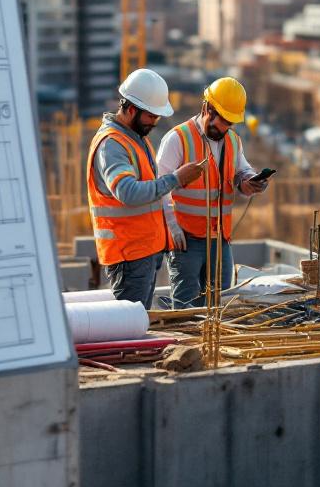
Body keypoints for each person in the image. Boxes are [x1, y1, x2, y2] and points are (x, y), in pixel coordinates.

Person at [86, 68, 205, 308]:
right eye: (151, 116)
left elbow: (152, 192)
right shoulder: (113, 144)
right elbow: (128, 192)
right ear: (131, 110)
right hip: (128, 254)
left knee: (137, 322)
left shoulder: (136, 139)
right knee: (129, 327)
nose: (155, 122)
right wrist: (176, 179)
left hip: (145, 251)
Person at [158, 77, 271, 307]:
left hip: (220, 240)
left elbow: (242, 170)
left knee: (218, 306)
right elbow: (159, 188)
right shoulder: (177, 139)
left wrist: (249, 182)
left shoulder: (232, 140)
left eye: (231, 122)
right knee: (186, 308)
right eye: (223, 120)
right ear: (207, 108)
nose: (225, 127)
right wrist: (172, 228)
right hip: (185, 240)